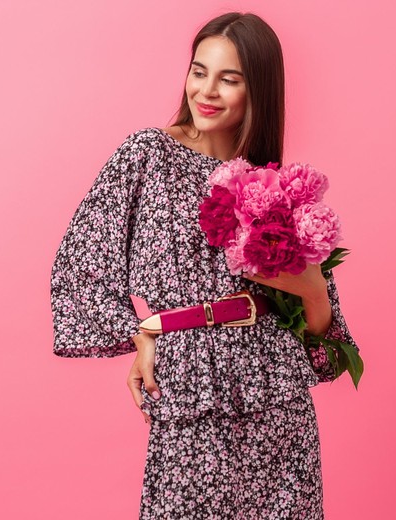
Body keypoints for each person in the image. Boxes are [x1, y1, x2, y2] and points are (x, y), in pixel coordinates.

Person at [50, 11, 360, 519]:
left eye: (229, 79)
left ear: (258, 89)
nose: (207, 91)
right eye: (199, 71)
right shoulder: (147, 155)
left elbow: (323, 343)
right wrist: (143, 331)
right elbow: (79, 269)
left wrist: (313, 289)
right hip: (190, 387)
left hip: (277, 399)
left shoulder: (276, 185)